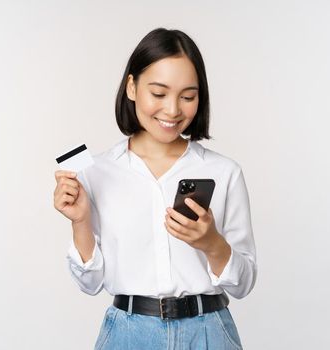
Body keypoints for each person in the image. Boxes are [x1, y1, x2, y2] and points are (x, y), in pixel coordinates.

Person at [52, 28, 257, 349]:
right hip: (128, 335)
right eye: (159, 94)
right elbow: (90, 283)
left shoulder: (224, 171)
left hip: (209, 334)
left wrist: (212, 243)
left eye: (188, 96)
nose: (173, 110)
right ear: (132, 87)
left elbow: (244, 284)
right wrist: (80, 221)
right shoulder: (97, 172)